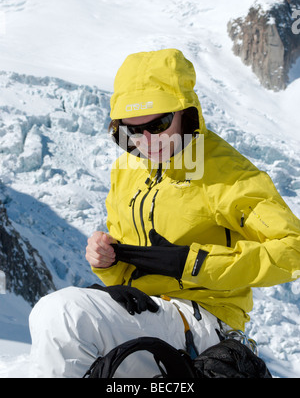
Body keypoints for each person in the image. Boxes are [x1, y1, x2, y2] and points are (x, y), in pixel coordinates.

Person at [29, 48, 300, 378]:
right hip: (143, 310)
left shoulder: (228, 174)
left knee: (64, 316)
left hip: (204, 321)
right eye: (131, 130)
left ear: (185, 113)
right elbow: (129, 264)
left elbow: (292, 250)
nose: (146, 140)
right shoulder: (127, 170)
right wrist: (105, 260)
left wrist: (197, 264)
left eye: (158, 123)